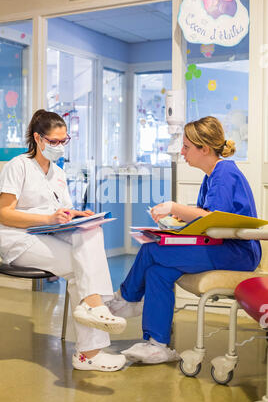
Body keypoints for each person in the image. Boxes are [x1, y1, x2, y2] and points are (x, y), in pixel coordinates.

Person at [107, 116, 261, 364]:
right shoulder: (212, 175)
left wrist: (174, 207)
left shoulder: (224, 171)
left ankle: (127, 299)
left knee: (151, 250)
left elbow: (213, 217)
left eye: (187, 147)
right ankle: (157, 345)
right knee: (157, 272)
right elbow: (206, 222)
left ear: (205, 149)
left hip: (238, 252)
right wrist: (173, 225)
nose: (182, 152)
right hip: (221, 246)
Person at [0, 109, 127, 372]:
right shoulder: (17, 166)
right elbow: (5, 215)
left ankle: (93, 308)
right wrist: (48, 220)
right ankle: (90, 347)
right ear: (37, 138)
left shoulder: (58, 173)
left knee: (91, 230)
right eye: (53, 141)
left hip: (47, 233)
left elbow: (59, 211)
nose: (58, 146)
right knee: (81, 267)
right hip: (19, 240)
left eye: (63, 141)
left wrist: (77, 214)